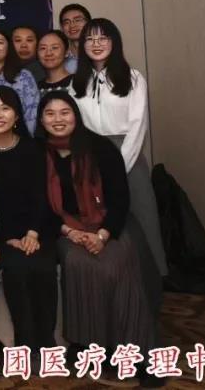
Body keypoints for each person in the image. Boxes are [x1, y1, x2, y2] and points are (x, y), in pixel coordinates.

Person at [36, 92, 164, 388]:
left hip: (108, 224)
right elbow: (39, 206)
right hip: (65, 229)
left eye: (65, 112)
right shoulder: (36, 153)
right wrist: (71, 232)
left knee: (119, 264)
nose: (58, 119)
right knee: (78, 261)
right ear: (41, 120)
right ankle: (95, 348)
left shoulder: (100, 148)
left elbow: (120, 199)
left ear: (76, 115)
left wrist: (103, 234)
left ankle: (140, 354)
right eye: (50, 114)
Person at [71, 18, 167, 308]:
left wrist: (117, 168)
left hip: (128, 155)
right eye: (90, 39)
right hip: (91, 157)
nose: (96, 44)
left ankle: (151, 294)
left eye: (103, 38)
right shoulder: (76, 82)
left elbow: (138, 125)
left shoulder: (133, 78)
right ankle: (113, 297)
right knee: (100, 222)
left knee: (143, 220)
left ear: (114, 42)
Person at [0, 86, 57, 353]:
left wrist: (32, 233)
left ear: (17, 115)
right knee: (16, 269)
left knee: (43, 268)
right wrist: (5, 237)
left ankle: (47, 344)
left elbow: (43, 196)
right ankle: (24, 346)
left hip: (35, 231)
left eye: (5, 108)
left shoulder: (34, 148)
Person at [36, 30, 74, 94]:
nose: (48, 53)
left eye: (54, 48)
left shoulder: (78, 83)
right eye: (43, 48)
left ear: (67, 52)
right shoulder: (34, 88)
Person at [58, 3, 91, 74]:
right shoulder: (59, 60)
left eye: (77, 20)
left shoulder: (100, 55)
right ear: (62, 28)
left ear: (89, 23)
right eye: (67, 22)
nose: (72, 25)